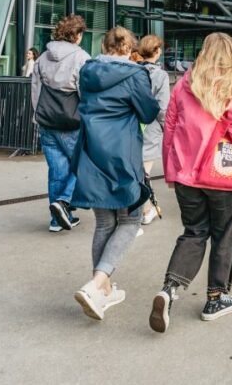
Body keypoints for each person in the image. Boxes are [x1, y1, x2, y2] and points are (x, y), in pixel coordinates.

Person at [150, 33, 232, 332]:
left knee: (194, 231)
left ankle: (169, 289)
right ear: (231, 53)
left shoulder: (184, 83)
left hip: (185, 172)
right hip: (219, 173)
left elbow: (169, 127)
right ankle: (216, 297)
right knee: (224, 233)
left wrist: (170, 170)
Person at [70, 27, 160, 320]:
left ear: (105, 45)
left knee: (104, 221)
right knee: (131, 219)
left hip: (90, 150)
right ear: (127, 48)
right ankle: (97, 284)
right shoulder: (135, 75)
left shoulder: (87, 70)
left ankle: (103, 290)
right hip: (122, 152)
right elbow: (148, 113)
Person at [31, 15, 90, 232]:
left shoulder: (42, 58)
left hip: (47, 120)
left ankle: (57, 220)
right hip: (72, 122)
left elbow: (35, 91)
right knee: (82, 163)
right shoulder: (81, 58)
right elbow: (85, 94)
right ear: (76, 35)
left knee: (57, 171)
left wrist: (37, 116)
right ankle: (64, 202)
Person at [137, 35, 171, 226]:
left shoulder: (131, 70)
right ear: (157, 51)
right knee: (144, 174)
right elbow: (163, 107)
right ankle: (144, 210)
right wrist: (167, 129)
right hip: (150, 127)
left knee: (137, 171)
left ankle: (144, 208)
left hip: (131, 125)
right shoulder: (160, 75)